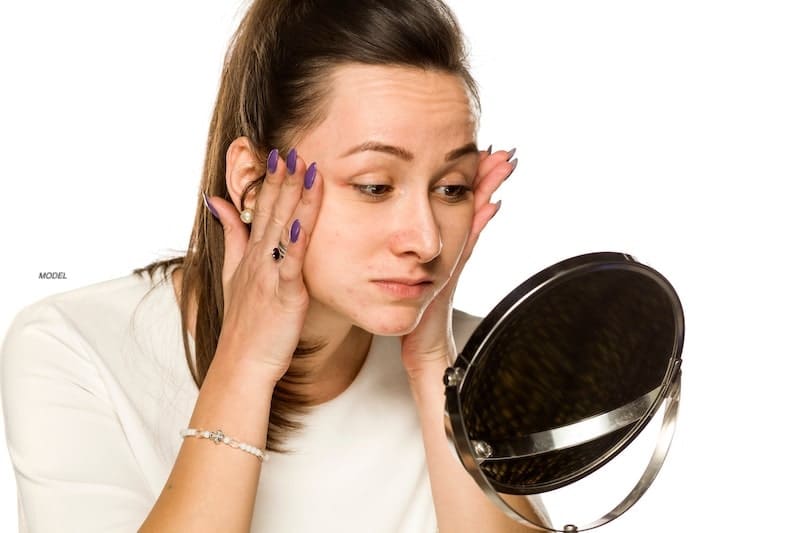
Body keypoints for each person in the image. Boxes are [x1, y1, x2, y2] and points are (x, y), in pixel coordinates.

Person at [0, 0, 534, 531]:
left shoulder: (469, 362)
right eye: (374, 185)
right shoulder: (74, 349)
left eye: (452, 188)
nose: (425, 238)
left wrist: (437, 368)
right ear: (252, 181)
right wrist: (245, 363)